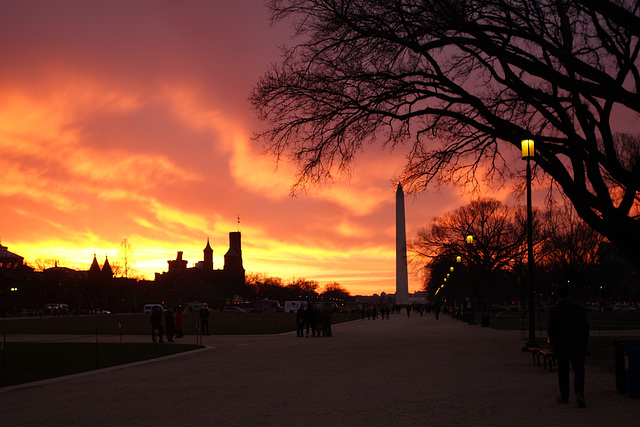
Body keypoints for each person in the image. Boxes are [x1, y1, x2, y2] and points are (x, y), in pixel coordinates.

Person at [547, 286, 589, 408]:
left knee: (563, 371)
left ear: (557, 296)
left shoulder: (554, 310)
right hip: (577, 344)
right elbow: (585, 328)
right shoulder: (578, 309)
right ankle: (579, 393)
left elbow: (551, 330)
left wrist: (552, 343)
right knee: (579, 370)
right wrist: (584, 343)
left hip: (561, 346)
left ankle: (565, 396)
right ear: (569, 294)